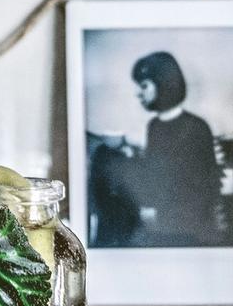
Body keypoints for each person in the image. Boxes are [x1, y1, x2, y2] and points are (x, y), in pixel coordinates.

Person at [88, 51, 223, 246]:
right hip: (162, 223)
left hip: (191, 230)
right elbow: (157, 173)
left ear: (164, 84)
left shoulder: (197, 127)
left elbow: (202, 187)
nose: (138, 93)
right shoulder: (155, 126)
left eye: (144, 86)